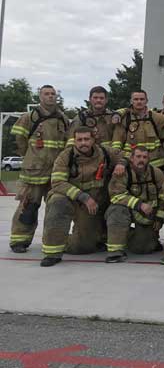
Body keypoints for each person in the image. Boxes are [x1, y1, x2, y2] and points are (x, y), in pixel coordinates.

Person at [40, 127, 124, 267]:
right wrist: (83, 197)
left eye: (86, 139)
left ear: (93, 140)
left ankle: (68, 241)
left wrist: (121, 164)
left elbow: (125, 155)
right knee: (57, 202)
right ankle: (52, 252)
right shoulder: (65, 156)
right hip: (70, 198)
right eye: (79, 140)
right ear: (75, 141)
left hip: (91, 205)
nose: (83, 143)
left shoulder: (104, 152)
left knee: (84, 247)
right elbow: (58, 183)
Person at [9, 85, 69, 253]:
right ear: (40, 97)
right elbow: (19, 141)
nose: (50, 97)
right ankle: (19, 241)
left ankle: (51, 242)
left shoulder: (63, 119)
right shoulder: (29, 117)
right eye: (46, 94)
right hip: (33, 172)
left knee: (55, 210)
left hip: (55, 173)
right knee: (28, 207)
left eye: (53, 94)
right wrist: (30, 157)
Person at [105, 146, 164, 262]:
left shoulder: (156, 173)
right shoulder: (122, 172)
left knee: (143, 248)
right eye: (138, 156)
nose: (141, 160)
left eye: (144, 157)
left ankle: (134, 237)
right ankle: (115, 251)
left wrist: (159, 218)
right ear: (132, 158)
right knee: (116, 210)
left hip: (146, 216)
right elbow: (115, 195)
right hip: (126, 210)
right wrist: (139, 204)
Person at [111, 90, 164, 170]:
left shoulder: (155, 117)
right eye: (136, 99)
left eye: (142, 99)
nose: (139, 102)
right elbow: (116, 144)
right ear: (131, 101)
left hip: (156, 164)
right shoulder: (124, 119)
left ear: (146, 101)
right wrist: (120, 161)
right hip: (132, 164)